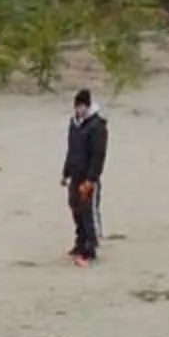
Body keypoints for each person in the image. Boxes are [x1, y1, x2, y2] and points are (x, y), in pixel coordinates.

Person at [61, 88, 107, 266]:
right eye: (76, 107)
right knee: (75, 206)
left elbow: (98, 155)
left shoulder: (97, 126)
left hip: (88, 176)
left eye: (81, 107)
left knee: (88, 210)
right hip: (75, 174)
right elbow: (71, 151)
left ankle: (90, 246)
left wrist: (92, 178)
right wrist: (66, 173)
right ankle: (80, 241)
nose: (78, 110)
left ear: (87, 106)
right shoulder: (74, 124)